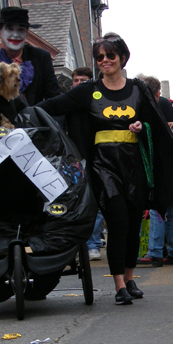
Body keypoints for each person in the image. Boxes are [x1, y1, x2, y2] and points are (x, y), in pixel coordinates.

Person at [37, 33, 173, 306]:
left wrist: (141, 127)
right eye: (99, 57)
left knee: (134, 224)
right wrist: (17, 113)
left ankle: (129, 276)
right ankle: (118, 285)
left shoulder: (138, 90)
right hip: (104, 166)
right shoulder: (88, 91)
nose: (104, 61)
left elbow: (156, 125)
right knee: (118, 222)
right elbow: (53, 106)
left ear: (122, 58)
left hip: (134, 165)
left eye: (110, 56)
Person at [136, 74, 173, 268]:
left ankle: (155, 252)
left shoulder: (154, 112)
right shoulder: (158, 110)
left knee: (159, 208)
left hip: (171, 167)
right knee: (169, 211)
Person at [69, 67, 105, 261]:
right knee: (74, 203)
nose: (79, 83)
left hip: (97, 158)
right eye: (76, 80)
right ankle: (76, 245)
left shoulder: (98, 103)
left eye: (83, 80)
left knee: (96, 203)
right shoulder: (68, 103)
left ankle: (93, 244)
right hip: (73, 161)